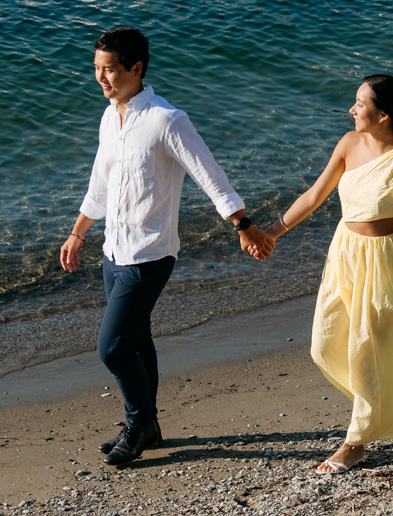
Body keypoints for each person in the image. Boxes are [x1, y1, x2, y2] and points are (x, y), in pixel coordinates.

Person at [60, 28, 275, 467]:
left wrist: (244, 225)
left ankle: (138, 426)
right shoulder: (110, 117)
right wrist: (78, 231)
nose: (101, 78)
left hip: (151, 254)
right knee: (137, 341)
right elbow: (100, 183)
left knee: (113, 349)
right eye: (97, 69)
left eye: (110, 70)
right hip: (113, 251)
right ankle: (149, 426)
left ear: (136, 68)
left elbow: (209, 175)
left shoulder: (166, 119)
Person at [259, 74, 393, 473]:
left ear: (383, 115)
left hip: (381, 262)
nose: (352, 109)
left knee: (366, 348)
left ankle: (355, 441)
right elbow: (313, 195)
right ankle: (383, 408)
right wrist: (271, 233)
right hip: (343, 254)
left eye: (360, 103)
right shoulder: (349, 143)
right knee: (324, 346)